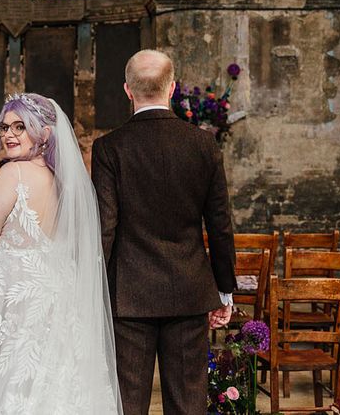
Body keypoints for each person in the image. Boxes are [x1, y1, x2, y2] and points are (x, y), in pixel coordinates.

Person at [0, 93, 123, 414]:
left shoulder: (12, 175)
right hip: (56, 292)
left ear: (44, 133)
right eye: (4, 128)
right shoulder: (64, 183)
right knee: (52, 378)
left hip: (14, 300)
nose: (9, 135)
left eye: (20, 127)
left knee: (10, 381)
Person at [91, 50, 236, 415]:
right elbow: (219, 225)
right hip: (189, 290)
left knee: (127, 403)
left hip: (129, 295)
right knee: (188, 404)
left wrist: (91, 290)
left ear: (127, 90)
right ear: (171, 88)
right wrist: (224, 291)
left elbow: (105, 228)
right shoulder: (203, 145)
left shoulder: (109, 148)